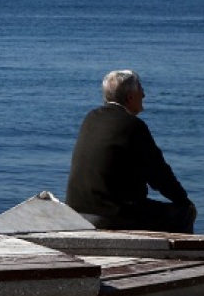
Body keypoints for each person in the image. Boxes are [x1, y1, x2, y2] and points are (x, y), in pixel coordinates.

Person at [66, 70, 196, 234]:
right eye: (141, 90)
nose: (144, 95)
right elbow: (159, 175)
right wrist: (183, 201)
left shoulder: (91, 118)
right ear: (130, 97)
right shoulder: (133, 126)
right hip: (110, 214)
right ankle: (180, 256)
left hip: (75, 211)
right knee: (183, 214)